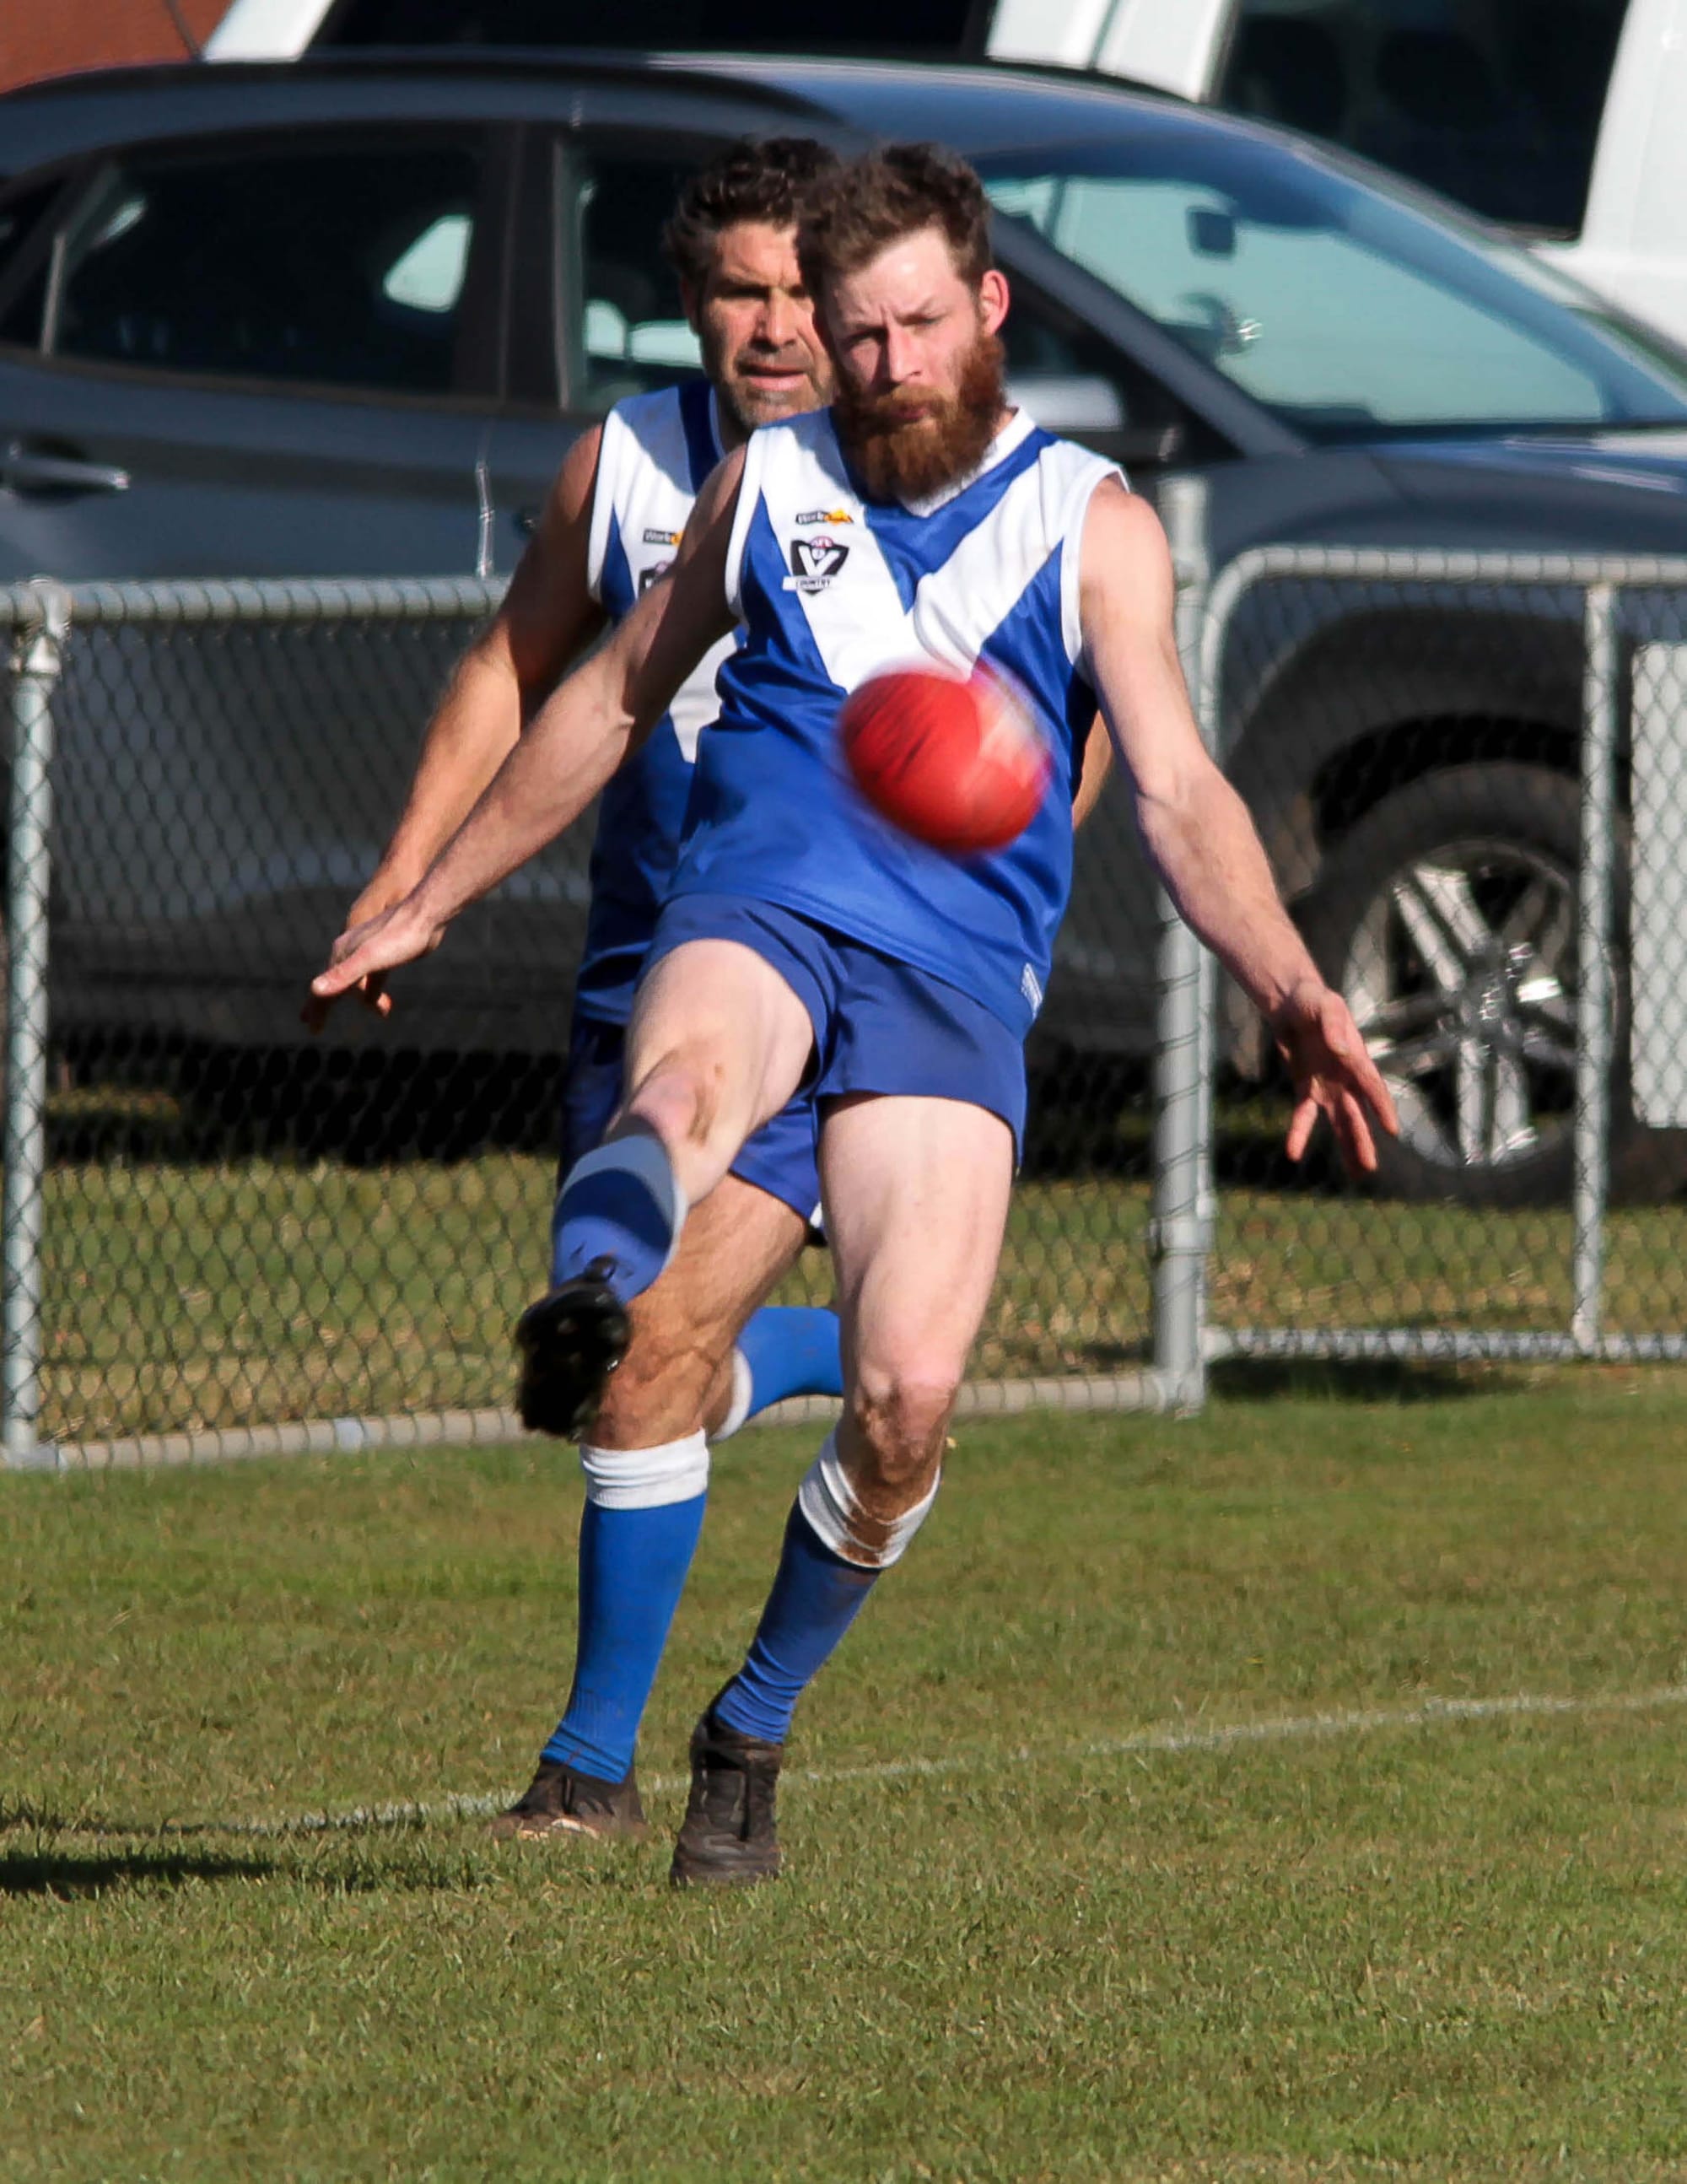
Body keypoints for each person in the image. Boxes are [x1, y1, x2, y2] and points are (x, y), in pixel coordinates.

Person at [313, 142, 1398, 1888]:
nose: (882, 362)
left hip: (953, 981)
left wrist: (1290, 983)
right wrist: (426, 896)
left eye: (913, 325)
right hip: (757, 907)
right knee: (677, 1085)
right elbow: (603, 695)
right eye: (854, 329)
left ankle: (746, 1728)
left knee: (905, 1393)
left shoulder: (1090, 525)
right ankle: (596, 1292)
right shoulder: (765, 486)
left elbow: (1182, 795)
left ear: (985, 310)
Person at [307, 138, 854, 1462]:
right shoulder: (621, 468)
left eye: (800, 293)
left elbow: (1051, 723)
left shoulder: (905, 474)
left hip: (830, 970)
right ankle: (828, 1347)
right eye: (740, 294)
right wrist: (408, 875)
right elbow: (512, 666)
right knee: (633, 1387)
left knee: (646, 1365)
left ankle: (876, 1357)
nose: (774, 330)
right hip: (640, 968)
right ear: (690, 307)